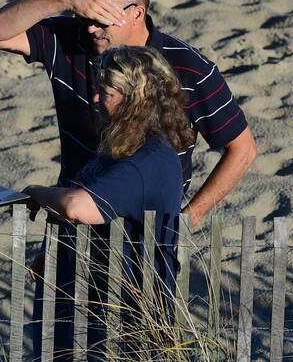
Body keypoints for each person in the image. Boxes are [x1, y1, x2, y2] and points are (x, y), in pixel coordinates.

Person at [0, 0, 256, 227]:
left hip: (142, 233)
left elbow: (242, 150)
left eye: (102, 18)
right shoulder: (72, 39)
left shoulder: (189, 68)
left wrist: (185, 222)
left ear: (137, 13)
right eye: (86, 15)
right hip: (76, 217)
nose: (91, 28)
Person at [23, 45, 192, 359]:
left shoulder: (148, 162)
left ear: (135, 100)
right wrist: (56, 253)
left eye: (105, 92)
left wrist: (37, 192)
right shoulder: (122, 148)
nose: (95, 99)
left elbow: (77, 207)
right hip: (88, 303)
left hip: (123, 319)